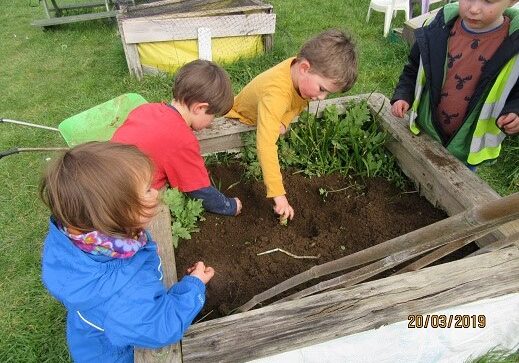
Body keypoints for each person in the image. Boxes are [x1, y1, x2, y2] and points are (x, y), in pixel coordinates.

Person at [40, 141, 215, 363]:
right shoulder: (123, 296)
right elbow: (160, 327)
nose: (157, 192)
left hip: (97, 332)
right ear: (117, 215)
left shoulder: (77, 239)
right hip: (117, 355)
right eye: (148, 189)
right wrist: (193, 287)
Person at [226, 29, 358, 220]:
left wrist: (284, 121)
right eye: (322, 89)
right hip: (240, 117)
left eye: (328, 94)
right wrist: (278, 195)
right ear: (304, 68)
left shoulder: (298, 73)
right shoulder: (276, 94)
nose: (321, 97)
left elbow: (297, 103)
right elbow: (265, 145)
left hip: (268, 113)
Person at [391, 0, 519, 169]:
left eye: (488, 1)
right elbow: (414, 68)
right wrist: (403, 95)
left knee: (454, 189)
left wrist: (515, 111)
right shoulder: (437, 27)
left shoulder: (514, 45)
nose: (473, 9)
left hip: (466, 149)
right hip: (427, 133)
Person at [112, 60, 242, 216]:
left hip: (105, 173)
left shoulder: (147, 109)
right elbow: (200, 191)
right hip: (126, 201)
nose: (211, 122)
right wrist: (230, 206)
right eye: (213, 116)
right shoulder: (182, 139)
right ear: (199, 108)